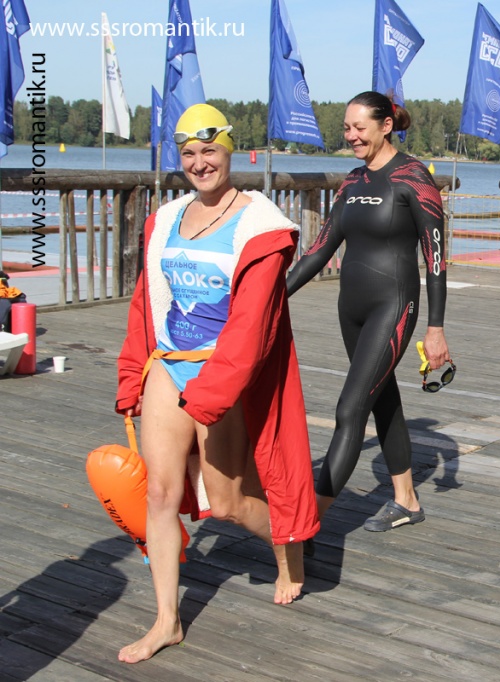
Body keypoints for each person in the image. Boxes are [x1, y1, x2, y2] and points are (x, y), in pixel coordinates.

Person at [115, 104, 319, 663]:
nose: (200, 163)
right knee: (160, 494)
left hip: (223, 370)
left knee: (227, 504)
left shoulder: (260, 227)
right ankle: (166, 620)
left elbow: (251, 327)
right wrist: (133, 374)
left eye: (210, 150)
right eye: (189, 153)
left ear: (230, 151)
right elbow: (146, 302)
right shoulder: (167, 218)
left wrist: (209, 394)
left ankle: (288, 543)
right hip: (169, 362)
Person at [286, 91, 449, 533]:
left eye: (360, 127)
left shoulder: (414, 177)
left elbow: (436, 259)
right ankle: (406, 500)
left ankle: (306, 525)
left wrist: (435, 328)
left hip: (393, 306)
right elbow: (319, 250)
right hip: (352, 309)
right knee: (381, 397)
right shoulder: (352, 181)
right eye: (346, 128)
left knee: (351, 408)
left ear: (385, 126)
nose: (352, 136)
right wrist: (275, 296)